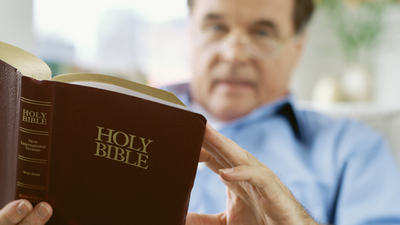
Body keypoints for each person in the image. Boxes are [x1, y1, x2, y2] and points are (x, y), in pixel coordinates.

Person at [1, 0, 400, 224]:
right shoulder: (111, 115)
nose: (233, 53)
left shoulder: (352, 148)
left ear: (297, 46)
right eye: (216, 27)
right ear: (190, 34)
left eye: (262, 32)